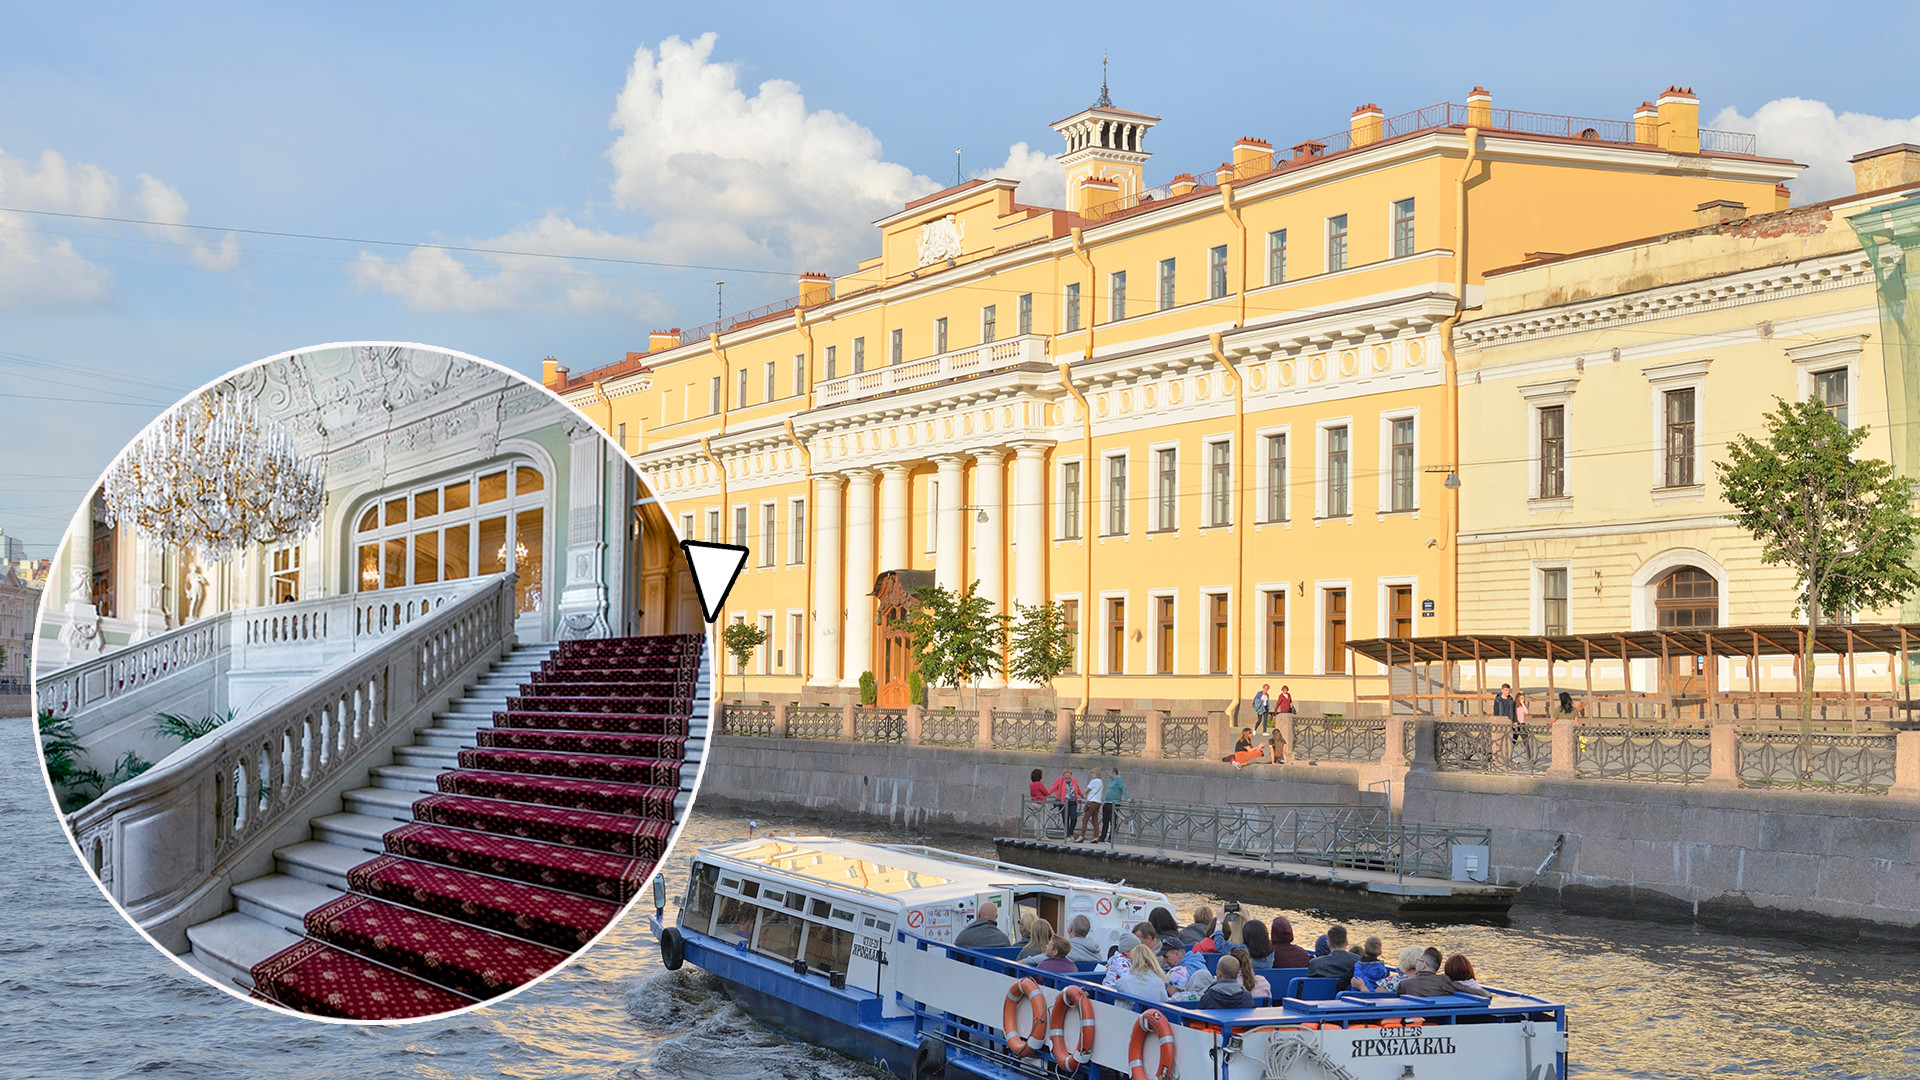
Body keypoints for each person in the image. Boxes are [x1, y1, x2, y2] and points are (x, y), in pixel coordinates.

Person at [1077, 768, 1105, 842]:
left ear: (1096, 774)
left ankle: (1081, 836)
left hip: (1092, 802)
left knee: (1085, 819)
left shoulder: (1094, 781)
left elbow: (1086, 790)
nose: (1091, 774)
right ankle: (1096, 837)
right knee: (1095, 819)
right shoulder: (1101, 782)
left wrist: (1084, 794)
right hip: (1098, 802)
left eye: (1092, 773)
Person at [1100, 767, 1126, 842]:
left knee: (1112, 821)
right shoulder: (1111, 780)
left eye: (1109, 772)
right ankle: (1102, 837)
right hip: (1107, 802)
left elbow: (1123, 788)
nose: (1108, 773)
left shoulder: (1119, 780)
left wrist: (1127, 798)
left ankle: (1110, 838)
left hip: (1114, 803)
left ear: (1114, 773)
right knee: (1105, 820)